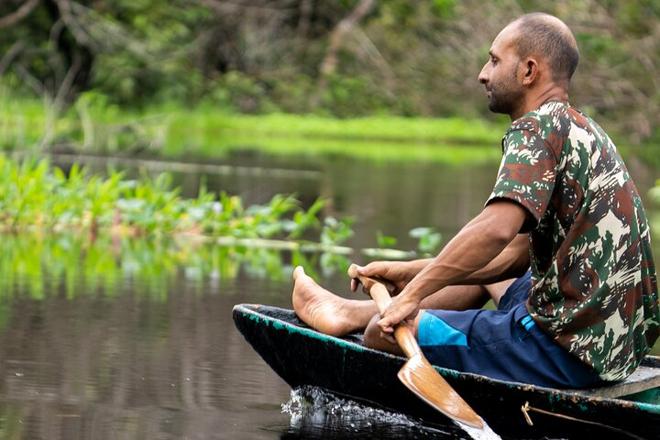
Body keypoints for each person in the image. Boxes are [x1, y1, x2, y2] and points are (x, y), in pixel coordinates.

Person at [292, 12, 659, 388]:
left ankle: (364, 319)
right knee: (483, 279)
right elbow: (514, 254)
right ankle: (349, 312)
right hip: (614, 349)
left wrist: (411, 297)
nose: (484, 73)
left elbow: (496, 231)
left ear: (529, 71)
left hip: (563, 349)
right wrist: (412, 272)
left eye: (495, 60)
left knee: (380, 332)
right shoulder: (582, 128)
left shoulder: (536, 128)